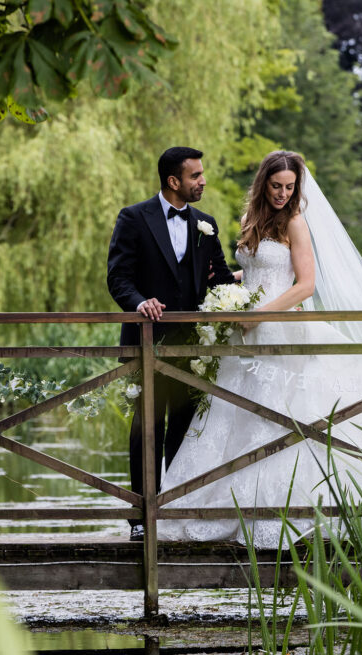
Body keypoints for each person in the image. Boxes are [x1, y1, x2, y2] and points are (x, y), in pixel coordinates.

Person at [157, 150, 362, 547]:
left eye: (290, 187)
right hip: (249, 332)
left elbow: (304, 285)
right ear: (263, 183)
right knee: (241, 414)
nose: (283, 194)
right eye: (276, 186)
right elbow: (257, 271)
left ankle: (299, 510)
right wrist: (233, 294)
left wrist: (258, 313)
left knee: (290, 416)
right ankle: (220, 504)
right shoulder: (252, 219)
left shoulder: (295, 223)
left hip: (281, 329)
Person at [107, 146, 236, 540]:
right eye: (195, 176)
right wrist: (139, 302)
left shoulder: (206, 223)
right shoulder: (133, 218)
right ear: (173, 181)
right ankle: (140, 518)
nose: (203, 181)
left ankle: (175, 510)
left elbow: (219, 282)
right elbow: (118, 277)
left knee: (184, 427)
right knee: (146, 428)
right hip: (146, 343)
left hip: (193, 348)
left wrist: (248, 287)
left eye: (202, 174)